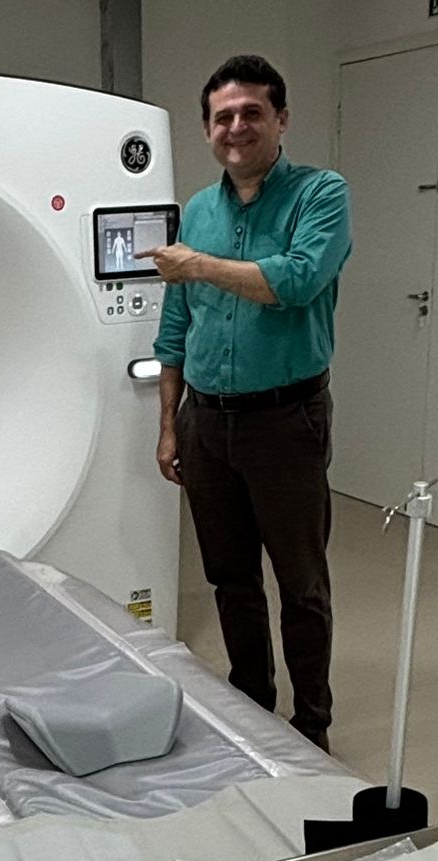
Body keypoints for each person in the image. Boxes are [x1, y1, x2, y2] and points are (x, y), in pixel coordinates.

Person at [138, 54, 352, 754]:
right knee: (229, 576)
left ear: (280, 119)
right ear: (207, 130)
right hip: (206, 422)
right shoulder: (199, 209)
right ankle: (252, 702)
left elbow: (294, 281)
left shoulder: (320, 194)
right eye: (222, 117)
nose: (236, 127)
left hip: (285, 421)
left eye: (251, 113)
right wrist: (169, 425)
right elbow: (176, 325)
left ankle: (311, 725)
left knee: (300, 582)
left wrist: (197, 264)